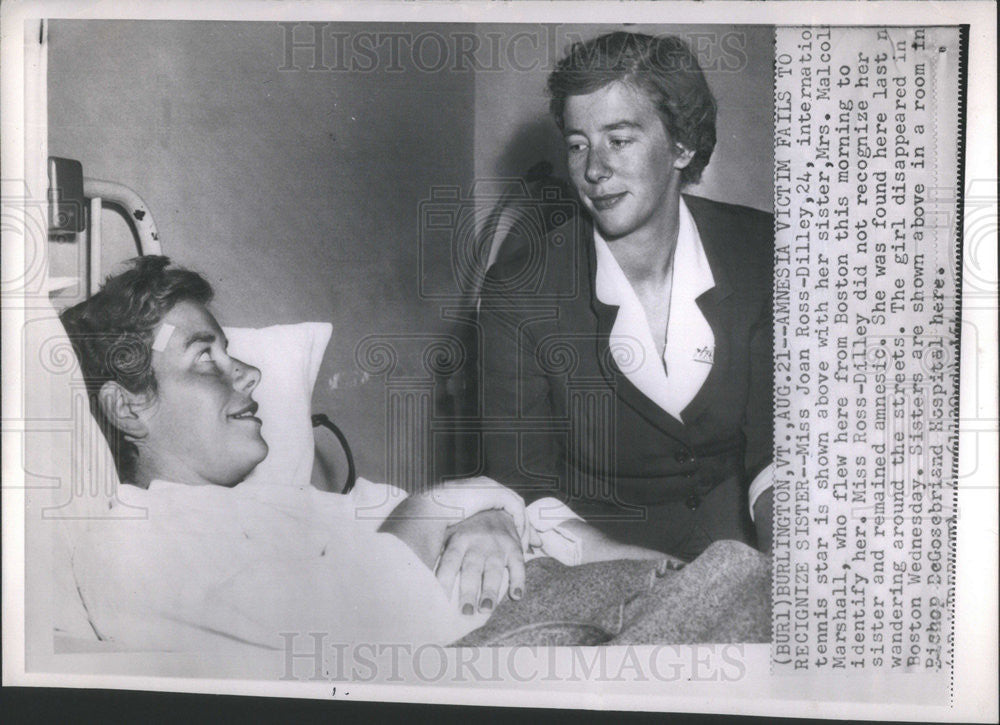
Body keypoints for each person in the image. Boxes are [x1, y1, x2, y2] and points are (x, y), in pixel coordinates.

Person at [57, 256, 671, 652]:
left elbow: (503, 507)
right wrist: (449, 511)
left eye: (232, 353)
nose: (245, 375)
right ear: (129, 407)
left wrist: (483, 516)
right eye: (205, 358)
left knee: (729, 577)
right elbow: (357, 626)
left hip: (579, 598)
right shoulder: (131, 543)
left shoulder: (297, 504)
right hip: (512, 648)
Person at [479, 32, 775, 561]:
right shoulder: (518, 289)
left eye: (619, 139)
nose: (593, 170)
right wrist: (643, 571)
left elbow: (779, 452)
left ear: (682, 145)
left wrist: (785, 575)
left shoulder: (761, 252)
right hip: (595, 556)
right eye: (577, 144)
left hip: (743, 545)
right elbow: (523, 483)